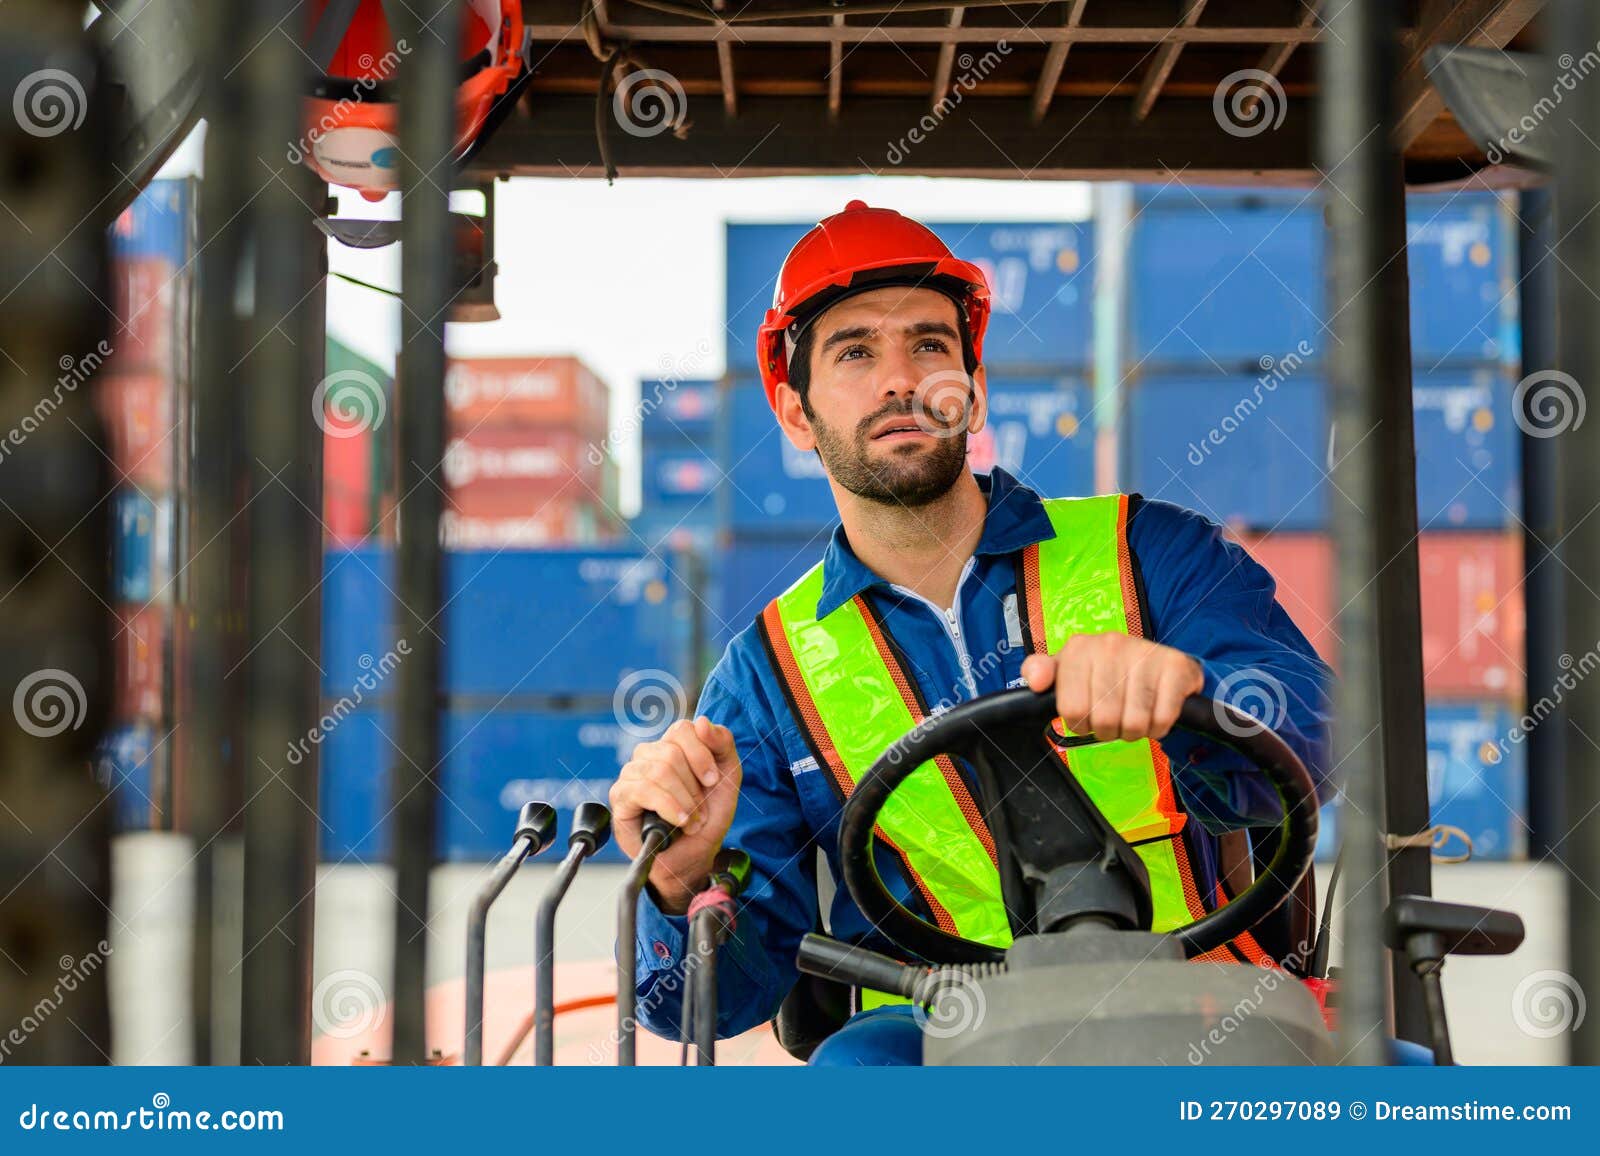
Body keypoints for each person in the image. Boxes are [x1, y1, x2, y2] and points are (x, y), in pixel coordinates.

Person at [608, 200, 1336, 1066]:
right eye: (854, 353)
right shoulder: (766, 676)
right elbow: (709, 1007)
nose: (899, 381)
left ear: (974, 388)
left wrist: (1188, 694)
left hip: (1202, 1005)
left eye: (928, 345)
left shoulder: (1150, 550)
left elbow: (1326, 735)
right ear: (795, 412)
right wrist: (679, 879)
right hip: (934, 1037)